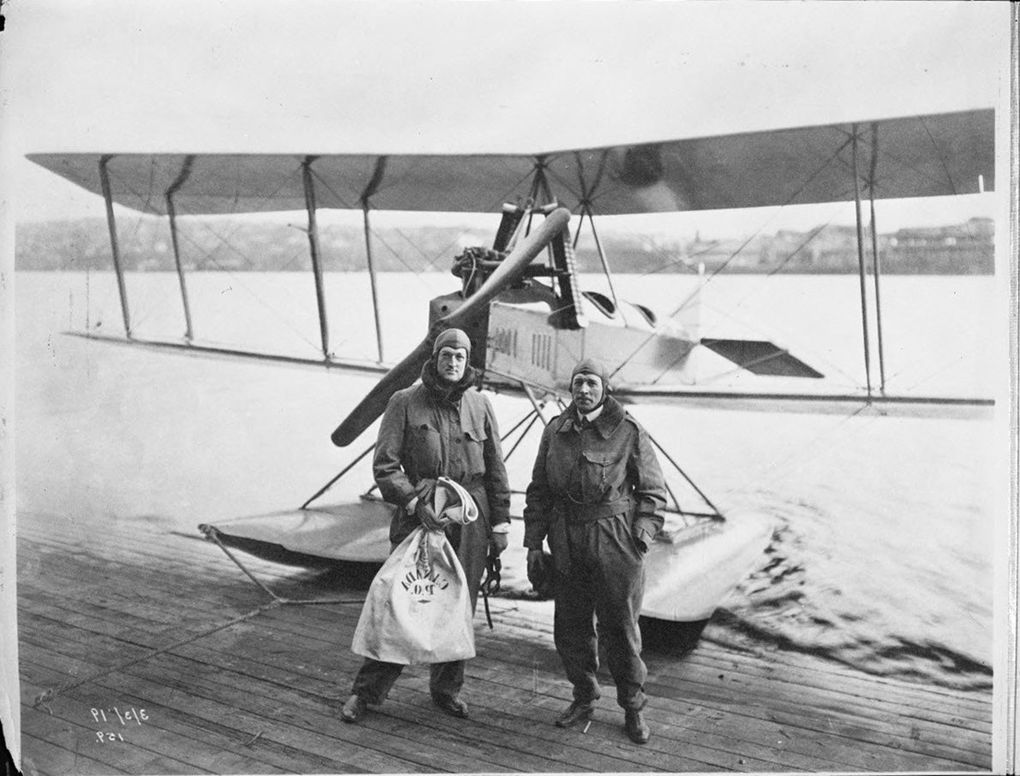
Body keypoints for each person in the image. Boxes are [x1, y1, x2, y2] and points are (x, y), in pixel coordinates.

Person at [341, 327, 511, 723]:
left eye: (460, 357)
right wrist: (416, 502)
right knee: (401, 603)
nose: (453, 363)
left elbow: (496, 470)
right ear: (434, 358)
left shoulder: (480, 405)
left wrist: (500, 523)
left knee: (458, 605)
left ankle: (446, 690)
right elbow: (385, 466)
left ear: (467, 363)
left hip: (470, 518)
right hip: (419, 517)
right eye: (446, 355)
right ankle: (365, 694)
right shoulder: (404, 402)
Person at [523, 358, 666, 745]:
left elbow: (652, 493)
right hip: (567, 539)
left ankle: (632, 707)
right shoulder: (556, 430)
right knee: (571, 628)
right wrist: (534, 542)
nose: (583, 390)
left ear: (605, 389)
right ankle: (583, 697)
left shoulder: (628, 430)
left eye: (591, 383)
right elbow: (539, 490)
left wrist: (640, 537)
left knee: (620, 629)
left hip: (615, 541)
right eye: (577, 383)